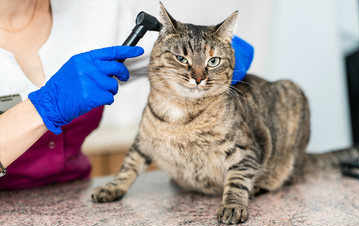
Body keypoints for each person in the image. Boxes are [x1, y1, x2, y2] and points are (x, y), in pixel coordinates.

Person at [0, 0, 253, 189]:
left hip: (75, 197)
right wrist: (45, 106)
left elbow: (182, 52)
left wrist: (222, 61)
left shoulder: (101, 9)